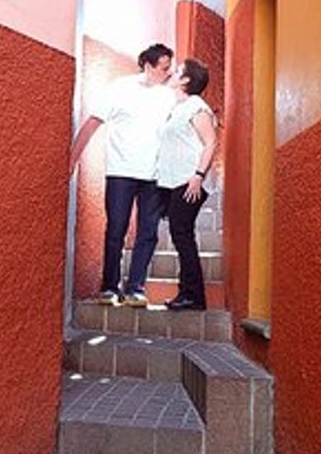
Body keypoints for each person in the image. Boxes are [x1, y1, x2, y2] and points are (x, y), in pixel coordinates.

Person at [69, 43, 175, 306]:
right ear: (148, 66)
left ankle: (135, 288)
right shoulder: (120, 88)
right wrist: (72, 159)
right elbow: (93, 122)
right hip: (120, 172)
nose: (168, 73)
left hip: (155, 175)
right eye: (164, 68)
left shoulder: (168, 96)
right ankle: (109, 287)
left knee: (148, 232)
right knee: (116, 228)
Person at [155, 58, 217, 311]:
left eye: (177, 70)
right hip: (174, 181)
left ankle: (192, 296)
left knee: (182, 234)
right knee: (182, 235)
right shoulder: (178, 107)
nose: (172, 72)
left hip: (190, 181)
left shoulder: (196, 107)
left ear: (186, 80)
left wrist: (198, 175)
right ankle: (189, 294)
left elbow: (211, 142)